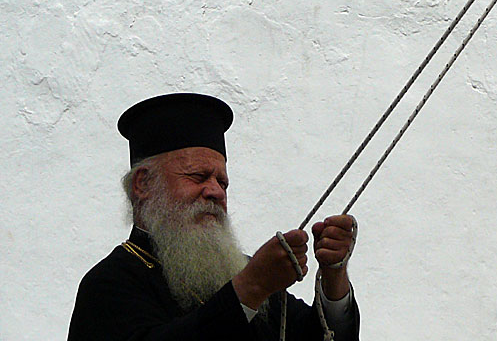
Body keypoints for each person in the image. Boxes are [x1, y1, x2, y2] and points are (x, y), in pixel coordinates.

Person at [68, 93, 360, 340]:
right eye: (198, 176)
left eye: (222, 182)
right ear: (143, 184)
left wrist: (334, 279)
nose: (216, 193)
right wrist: (251, 287)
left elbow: (318, 336)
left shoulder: (239, 271)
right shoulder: (108, 285)